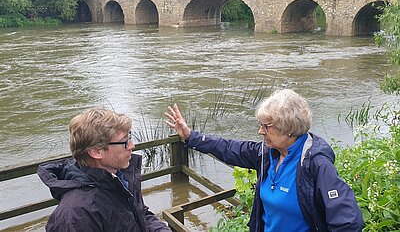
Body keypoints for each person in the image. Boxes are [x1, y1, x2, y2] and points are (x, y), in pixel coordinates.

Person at [165, 89, 364, 232]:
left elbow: (348, 221)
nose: (261, 131)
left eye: (266, 126)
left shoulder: (315, 164)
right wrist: (191, 136)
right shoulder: (268, 154)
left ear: (288, 128)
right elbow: (228, 148)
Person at [37, 108, 171, 232]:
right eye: (125, 141)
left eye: (129, 138)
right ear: (96, 152)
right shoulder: (76, 214)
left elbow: (140, 214)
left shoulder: (118, 177)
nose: (132, 146)